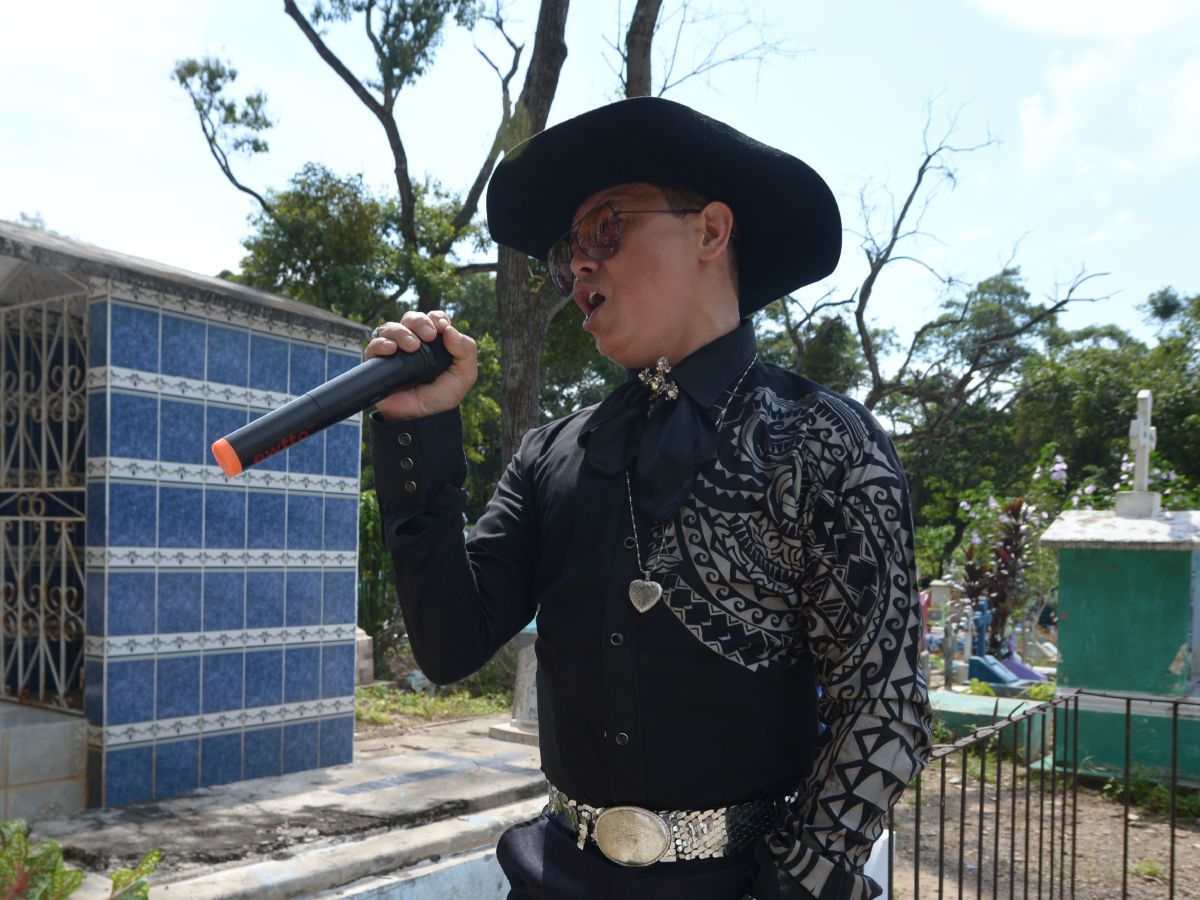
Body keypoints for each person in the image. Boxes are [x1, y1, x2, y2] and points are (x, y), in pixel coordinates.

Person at [366, 97, 931, 899]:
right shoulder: (553, 453)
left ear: (710, 231)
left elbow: (885, 706)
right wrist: (417, 436)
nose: (580, 267)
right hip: (554, 878)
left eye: (607, 228)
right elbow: (451, 644)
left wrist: (791, 887)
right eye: (567, 254)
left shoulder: (824, 442)